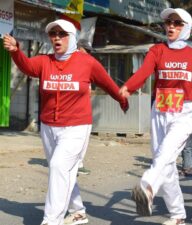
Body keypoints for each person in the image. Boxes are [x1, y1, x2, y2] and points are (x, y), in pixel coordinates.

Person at [3, 19, 128, 225]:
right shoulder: (45, 61)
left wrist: (122, 99)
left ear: (72, 37)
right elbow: (27, 67)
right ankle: (78, 211)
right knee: (61, 170)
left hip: (76, 126)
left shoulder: (87, 63)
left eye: (62, 34)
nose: (57, 38)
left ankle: (52, 220)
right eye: (53, 34)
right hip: (49, 127)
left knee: (59, 166)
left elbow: (107, 83)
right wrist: (16, 50)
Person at [119, 8, 192, 225]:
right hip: (160, 110)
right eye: (168, 22)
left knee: (165, 153)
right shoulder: (157, 50)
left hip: (185, 112)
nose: (171, 26)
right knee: (165, 163)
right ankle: (178, 215)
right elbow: (144, 71)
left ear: (186, 27)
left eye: (177, 23)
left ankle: (147, 188)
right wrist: (128, 87)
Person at [76, 38, 95, 176]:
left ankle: (78, 163)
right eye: (86, 50)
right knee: (77, 137)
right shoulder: (73, 61)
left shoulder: (87, 63)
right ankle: (75, 165)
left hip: (85, 106)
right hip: (75, 108)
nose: (88, 53)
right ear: (79, 48)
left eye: (89, 51)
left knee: (85, 136)